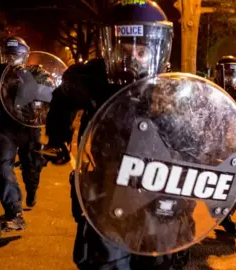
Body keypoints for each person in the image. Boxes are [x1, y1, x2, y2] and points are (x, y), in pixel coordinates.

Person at [44, 1, 190, 269]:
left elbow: (193, 142)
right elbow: (61, 103)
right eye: (125, 49)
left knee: (160, 261)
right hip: (106, 191)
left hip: (160, 194)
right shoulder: (91, 77)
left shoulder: (176, 89)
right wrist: (57, 140)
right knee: (106, 262)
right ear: (111, 46)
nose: (133, 56)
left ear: (157, 48)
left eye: (142, 50)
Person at [0, 37, 46, 231]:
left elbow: (50, 95)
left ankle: (32, 190)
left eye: (17, 55)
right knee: (2, 167)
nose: (13, 58)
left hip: (30, 127)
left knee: (32, 168)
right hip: (6, 127)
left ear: (25, 55)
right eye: (9, 55)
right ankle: (15, 212)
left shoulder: (36, 72)